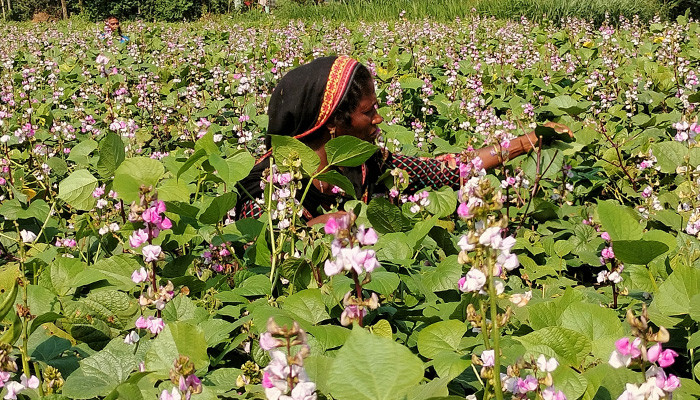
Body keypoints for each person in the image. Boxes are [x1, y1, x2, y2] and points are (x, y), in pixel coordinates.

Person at [236, 56, 571, 224]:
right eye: (369, 112)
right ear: (335, 122)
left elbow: (447, 171)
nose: (379, 119)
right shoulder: (265, 186)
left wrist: (528, 141)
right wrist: (315, 230)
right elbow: (264, 251)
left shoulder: (367, 161)